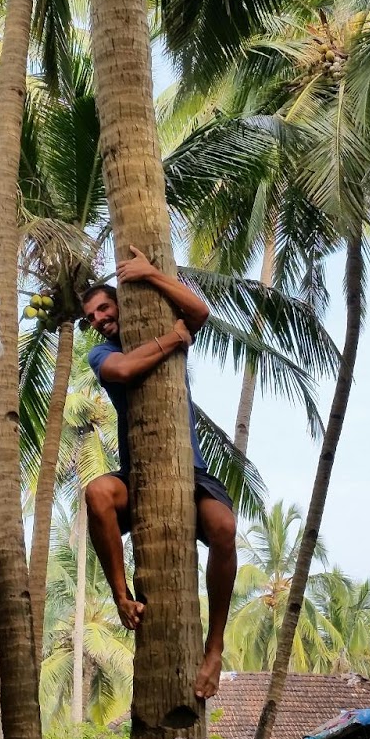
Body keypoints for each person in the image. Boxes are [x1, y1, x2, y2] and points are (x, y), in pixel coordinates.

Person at [82, 247, 238, 699]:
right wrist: (173, 340)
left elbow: (199, 312)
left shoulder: (157, 319)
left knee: (224, 528)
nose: (99, 319)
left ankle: (214, 647)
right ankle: (121, 595)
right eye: (91, 316)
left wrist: (150, 273)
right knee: (97, 494)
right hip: (140, 473)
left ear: (121, 304)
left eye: (104, 308)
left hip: (190, 469)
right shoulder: (102, 354)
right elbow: (126, 369)